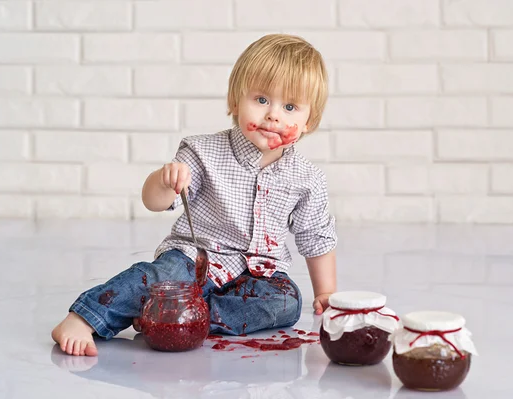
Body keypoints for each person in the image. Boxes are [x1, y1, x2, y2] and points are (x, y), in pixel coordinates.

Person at [51, 33, 338, 356]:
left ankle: (176, 317)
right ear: (234, 101)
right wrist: (164, 180)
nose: (273, 115)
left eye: (289, 106)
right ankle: (82, 318)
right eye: (261, 100)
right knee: (163, 277)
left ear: (309, 121)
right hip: (195, 260)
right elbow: (154, 202)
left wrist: (326, 292)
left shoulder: (308, 178)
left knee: (286, 302)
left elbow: (316, 237)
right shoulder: (203, 151)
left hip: (257, 273)